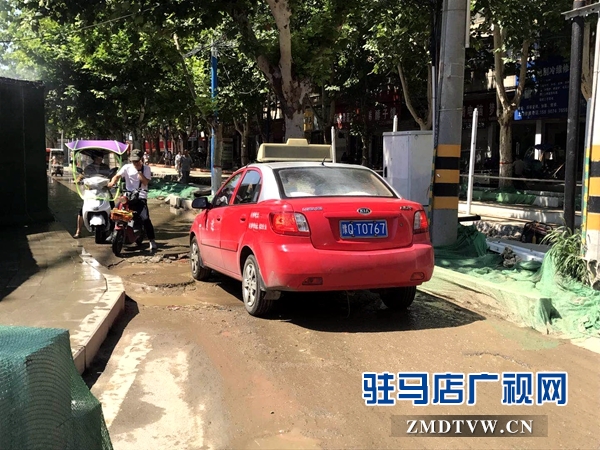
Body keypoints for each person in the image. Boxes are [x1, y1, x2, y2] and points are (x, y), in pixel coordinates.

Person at [107, 149, 158, 251]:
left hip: (140, 196)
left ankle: (151, 240)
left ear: (141, 159)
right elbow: (117, 176)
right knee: (114, 213)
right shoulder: (126, 167)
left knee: (145, 218)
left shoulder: (146, 169)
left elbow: (145, 182)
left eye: (137, 161)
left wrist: (139, 171)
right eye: (133, 161)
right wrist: (112, 182)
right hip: (127, 196)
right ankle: (112, 232)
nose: (135, 163)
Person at [74, 151, 111, 238]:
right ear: (93, 158)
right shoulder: (88, 168)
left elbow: (110, 177)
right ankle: (78, 231)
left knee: (113, 208)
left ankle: (113, 230)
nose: (99, 159)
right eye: (97, 157)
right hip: (91, 192)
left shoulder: (106, 167)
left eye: (101, 158)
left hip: (104, 191)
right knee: (81, 211)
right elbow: (82, 176)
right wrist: (78, 180)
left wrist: (112, 182)